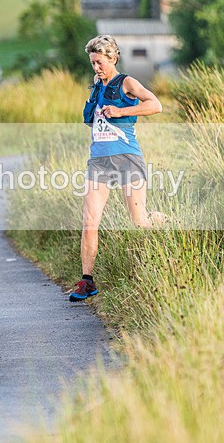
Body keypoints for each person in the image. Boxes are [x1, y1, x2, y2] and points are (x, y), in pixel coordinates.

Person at [70, 35, 164, 302]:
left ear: (112, 58)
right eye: (92, 63)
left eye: (99, 62)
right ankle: (87, 281)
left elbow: (156, 105)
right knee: (89, 223)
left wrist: (121, 112)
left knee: (139, 222)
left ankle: (160, 220)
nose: (96, 68)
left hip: (127, 158)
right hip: (98, 161)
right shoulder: (96, 87)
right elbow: (92, 122)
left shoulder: (127, 83)